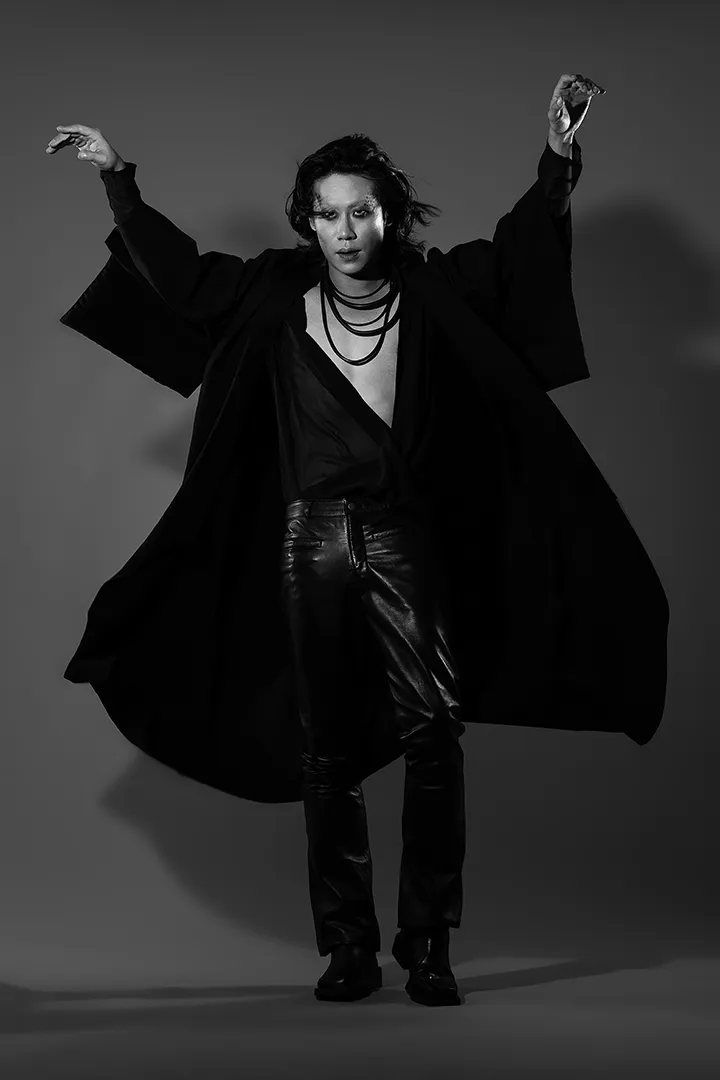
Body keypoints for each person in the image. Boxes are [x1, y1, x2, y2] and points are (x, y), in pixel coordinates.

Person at [47, 74, 668, 1009]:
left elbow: (517, 258)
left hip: (406, 535)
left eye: (361, 212)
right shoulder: (273, 292)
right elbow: (183, 277)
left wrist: (557, 159)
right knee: (326, 744)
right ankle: (347, 947)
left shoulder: (433, 290)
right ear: (308, 221)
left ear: (389, 218)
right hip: (311, 542)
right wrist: (116, 177)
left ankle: (429, 943)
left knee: (435, 732)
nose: (344, 231)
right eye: (327, 214)